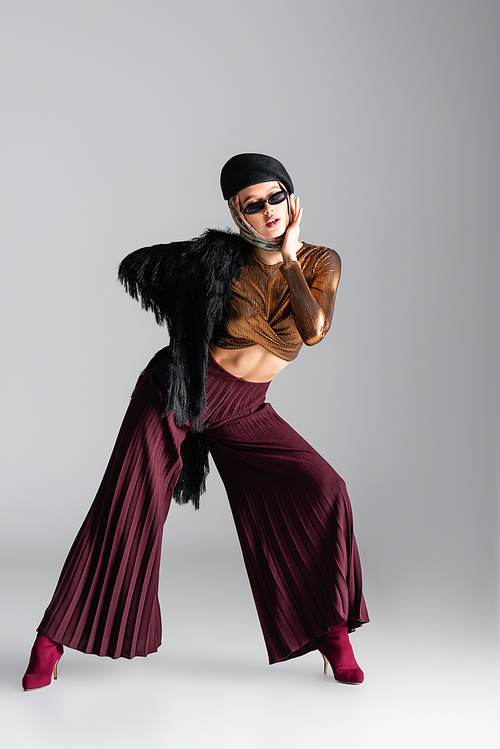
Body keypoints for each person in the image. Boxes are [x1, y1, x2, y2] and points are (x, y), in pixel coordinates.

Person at [22, 153, 369, 691]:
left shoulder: (322, 261)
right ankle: (51, 639)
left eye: (277, 196)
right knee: (126, 504)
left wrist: (290, 257)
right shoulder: (220, 259)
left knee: (323, 488)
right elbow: (143, 268)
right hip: (179, 391)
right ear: (236, 213)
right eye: (254, 205)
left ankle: (330, 631)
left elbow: (315, 328)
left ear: (293, 199)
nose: (269, 210)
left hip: (244, 406)